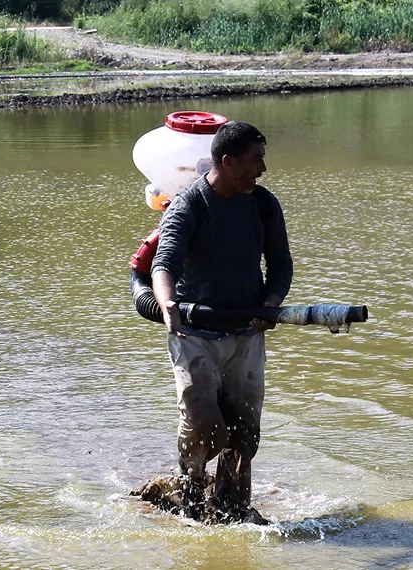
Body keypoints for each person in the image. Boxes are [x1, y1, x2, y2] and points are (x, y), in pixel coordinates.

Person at [149, 121, 293, 523]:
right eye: (256, 160)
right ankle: (192, 494)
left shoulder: (264, 204)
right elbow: (163, 265)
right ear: (228, 163)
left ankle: (232, 508)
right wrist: (168, 304)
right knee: (203, 425)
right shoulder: (190, 205)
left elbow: (281, 265)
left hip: (247, 331)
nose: (263, 169)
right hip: (194, 333)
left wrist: (271, 302)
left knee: (244, 430)